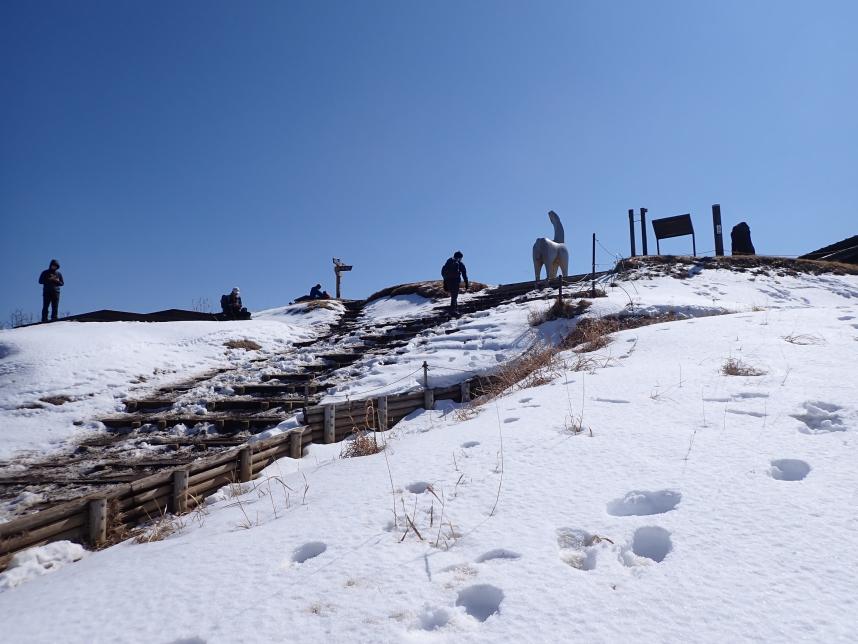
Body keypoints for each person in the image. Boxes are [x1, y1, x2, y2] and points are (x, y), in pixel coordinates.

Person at [441, 251, 469, 316]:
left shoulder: (449, 261)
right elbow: (464, 274)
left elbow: (444, 273)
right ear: (460, 257)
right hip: (455, 281)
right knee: (454, 296)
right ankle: (453, 311)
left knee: (453, 296)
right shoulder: (460, 263)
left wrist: (445, 283)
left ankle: (454, 310)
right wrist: (466, 283)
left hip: (448, 281)